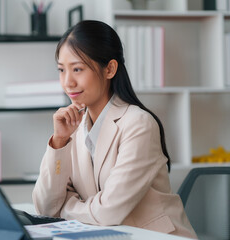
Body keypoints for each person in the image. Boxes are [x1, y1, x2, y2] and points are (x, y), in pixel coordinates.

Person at [32, 20, 197, 239]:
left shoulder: (139, 124)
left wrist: (64, 208)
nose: (68, 82)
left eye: (78, 69)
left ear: (109, 69)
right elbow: (44, 207)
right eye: (62, 70)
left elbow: (108, 212)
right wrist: (60, 141)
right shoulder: (75, 126)